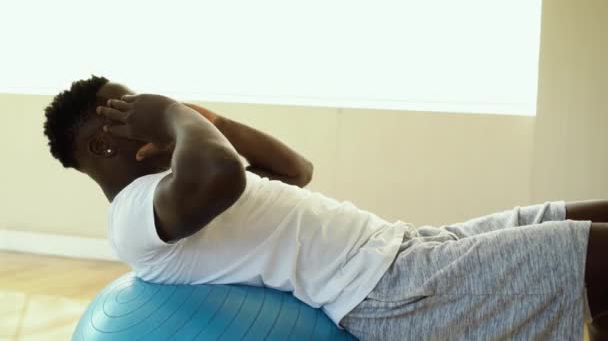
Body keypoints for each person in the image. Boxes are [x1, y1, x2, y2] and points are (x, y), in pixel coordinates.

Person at [43, 76, 607, 340]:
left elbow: (295, 170)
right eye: (127, 104)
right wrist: (169, 115)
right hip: (391, 292)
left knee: (591, 215)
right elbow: (222, 176)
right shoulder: (133, 215)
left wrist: (208, 121)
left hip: (412, 247)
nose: (145, 102)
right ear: (101, 143)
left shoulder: (176, 170)